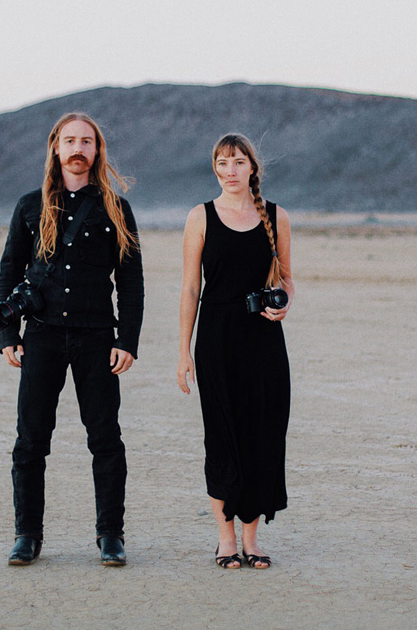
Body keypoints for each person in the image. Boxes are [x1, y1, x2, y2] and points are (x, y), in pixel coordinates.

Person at [0, 112, 144, 567]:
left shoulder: (117, 208)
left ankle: (110, 536)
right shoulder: (28, 207)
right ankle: (27, 536)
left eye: (87, 141)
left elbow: (131, 281)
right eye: (70, 141)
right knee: (31, 440)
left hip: (97, 337)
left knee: (105, 438)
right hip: (41, 336)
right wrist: (8, 333)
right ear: (55, 148)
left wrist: (128, 340)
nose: (78, 148)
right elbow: (9, 269)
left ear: (97, 150)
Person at [177, 133, 294, 569]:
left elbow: (286, 278)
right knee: (223, 437)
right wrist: (184, 352)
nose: (230, 171)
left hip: (264, 340)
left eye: (238, 162)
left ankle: (252, 539)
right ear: (215, 169)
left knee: (263, 435)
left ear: (252, 168)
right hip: (216, 339)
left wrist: (283, 304)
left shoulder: (276, 216)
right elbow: (191, 288)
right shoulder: (200, 216)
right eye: (222, 163)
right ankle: (225, 539)